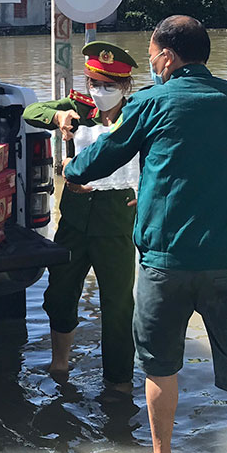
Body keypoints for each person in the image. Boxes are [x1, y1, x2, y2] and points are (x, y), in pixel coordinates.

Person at [63, 16, 227, 453]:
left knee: (160, 369)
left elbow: (106, 154)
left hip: (167, 264)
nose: (153, 63)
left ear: (167, 56)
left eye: (152, 55)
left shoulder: (151, 101)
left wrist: (72, 171)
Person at [23, 42, 139, 393]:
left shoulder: (136, 114)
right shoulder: (79, 108)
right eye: (94, 83)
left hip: (117, 221)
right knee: (60, 293)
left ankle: (118, 381)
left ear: (125, 86)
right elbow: (31, 111)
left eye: (108, 85)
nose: (100, 91)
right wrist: (57, 117)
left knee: (118, 306)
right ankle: (60, 364)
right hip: (74, 220)